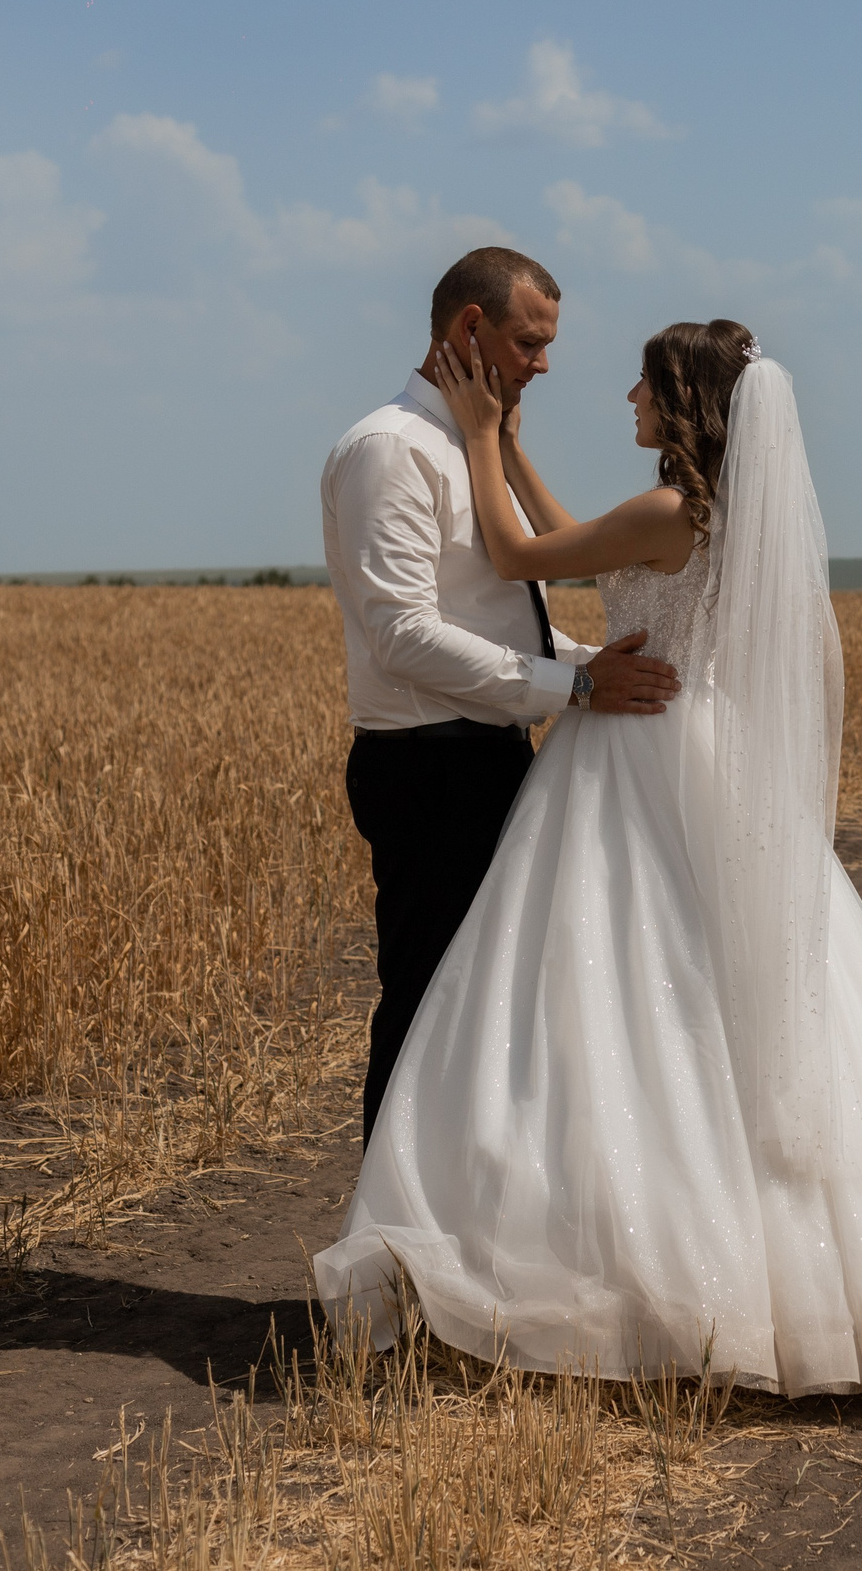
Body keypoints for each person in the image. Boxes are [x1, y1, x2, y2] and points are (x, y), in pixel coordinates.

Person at [313, 318, 862, 1395]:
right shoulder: (700, 516)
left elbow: (527, 556)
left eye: (643, 386)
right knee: (693, 981)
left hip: (634, 747)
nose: (624, 396)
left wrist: (481, 437)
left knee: (619, 982)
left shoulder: (669, 511)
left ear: (683, 406)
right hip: (691, 741)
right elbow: (582, 535)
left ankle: (618, 1267)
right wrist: (517, 445)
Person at [321, 248, 682, 1145]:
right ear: (468, 328)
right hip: (427, 768)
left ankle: (457, 1242)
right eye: (529, 342)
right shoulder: (390, 452)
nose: (544, 365)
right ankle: (386, 1261)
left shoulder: (466, 449)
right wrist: (580, 685)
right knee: (427, 1005)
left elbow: (493, 622)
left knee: (489, 1015)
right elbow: (403, 635)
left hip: (487, 759)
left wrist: (599, 661)